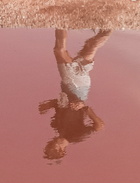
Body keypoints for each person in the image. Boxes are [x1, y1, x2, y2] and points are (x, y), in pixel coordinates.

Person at [38, 29, 111, 161]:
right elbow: (99, 127)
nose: (52, 141)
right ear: (61, 150)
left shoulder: (56, 126)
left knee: (91, 45)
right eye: (52, 146)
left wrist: (48, 105)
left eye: (49, 144)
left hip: (79, 86)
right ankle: (62, 21)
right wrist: (85, 108)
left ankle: (110, 25)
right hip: (74, 85)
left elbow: (60, 104)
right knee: (59, 51)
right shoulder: (75, 136)